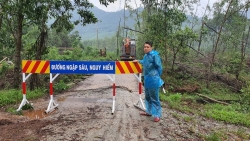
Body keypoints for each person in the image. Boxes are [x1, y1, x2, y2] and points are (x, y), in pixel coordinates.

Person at [133, 41, 163, 122]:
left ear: (151, 48)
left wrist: (157, 76)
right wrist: (138, 61)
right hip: (147, 79)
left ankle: (157, 115)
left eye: (147, 47)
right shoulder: (146, 56)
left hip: (153, 79)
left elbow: (159, 66)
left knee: (154, 97)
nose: (145, 48)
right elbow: (144, 62)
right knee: (147, 97)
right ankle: (149, 112)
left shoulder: (154, 56)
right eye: (145, 47)